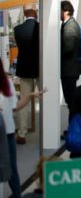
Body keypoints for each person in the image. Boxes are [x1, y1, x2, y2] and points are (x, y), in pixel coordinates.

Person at [0, 58, 45, 196]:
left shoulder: (7, 84)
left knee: (12, 168)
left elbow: (15, 107)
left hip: (7, 133)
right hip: (4, 133)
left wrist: (31, 95)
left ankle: (17, 195)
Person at [13, 7, 39, 145]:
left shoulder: (18, 30)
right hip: (41, 68)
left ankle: (22, 133)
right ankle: (47, 131)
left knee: (24, 101)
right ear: (35, 13)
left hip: (24, 69)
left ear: (24, 14)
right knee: (45, 98)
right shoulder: (41, 28)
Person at [60, 0, 81, 109]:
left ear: (65, 11)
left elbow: (69, 48)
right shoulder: (69, 24)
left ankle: (73, 124)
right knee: (70, 98)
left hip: (69, 69)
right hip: (70, 69)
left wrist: (55, 53)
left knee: (71, 99)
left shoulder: (70, 26)